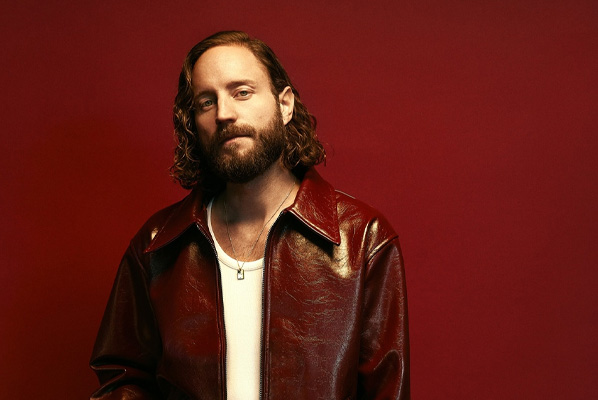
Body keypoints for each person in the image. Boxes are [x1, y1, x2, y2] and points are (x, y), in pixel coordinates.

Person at [90, 31, 410, 400]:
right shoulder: (157, 245)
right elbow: (122, 378)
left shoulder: (363, 239)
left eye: (241, 92)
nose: (224, 113)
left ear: (284, 105)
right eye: (206, 102)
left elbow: (388, 390)